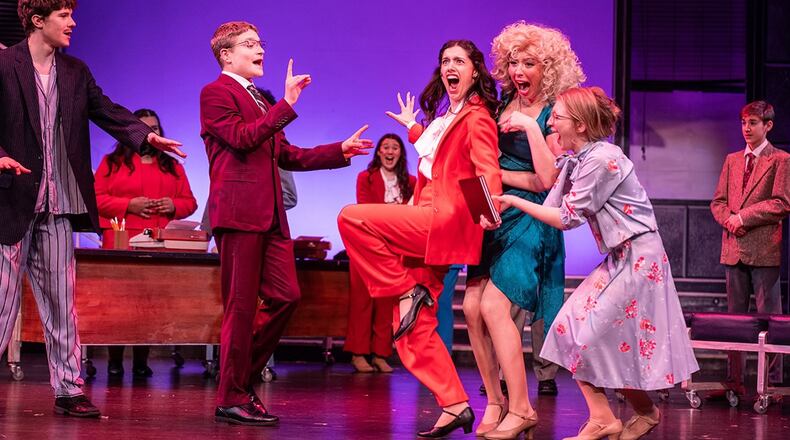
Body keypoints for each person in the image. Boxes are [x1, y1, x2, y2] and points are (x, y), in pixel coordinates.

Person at [0, 0, 184, 418]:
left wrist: (146, 137)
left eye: (71, 13)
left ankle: (69, 389)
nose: (73, 22)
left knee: (62, 304)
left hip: (59, 205)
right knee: (1, 303)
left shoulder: (75, 71)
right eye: (63, 15)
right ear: (37, 20)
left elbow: (105, 109)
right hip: (10, 201)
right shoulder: (4, 64)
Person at [494, 87, 698, 440]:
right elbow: (552, 194)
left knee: (588, 338)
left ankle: (610, 417)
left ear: (581, 126)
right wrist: (510, 199)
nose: (552, 122)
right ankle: (638, 413)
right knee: (567, 330)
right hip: (620, 257)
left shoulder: (603, 159)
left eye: (557, 116)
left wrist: (514, 199)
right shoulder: (579, 159)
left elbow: (566, 217)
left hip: (639, 256)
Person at [200, 21, 371, 427]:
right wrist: (288, 103)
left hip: (272, 217)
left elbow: (287, 155)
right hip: (240, 215)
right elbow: (242, 138)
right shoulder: (215, 93)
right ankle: (232, 394)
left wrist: (339, 151)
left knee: (287, 296)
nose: (260, 50)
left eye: (260, 43)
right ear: (226, 55)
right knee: (239, 309)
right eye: (249, 44)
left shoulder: (260, 98)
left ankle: (238, 381)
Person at [338, 39, 502, 438]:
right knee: (410, 327)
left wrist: (486, 213)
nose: (450, 66)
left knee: (352, 218)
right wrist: (413, 128)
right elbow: (435, 151)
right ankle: (455, 404)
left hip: (440, 222)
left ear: (475, 71)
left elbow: (486, 167)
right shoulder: (452, 115)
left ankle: (403, 287)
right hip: (426, 220)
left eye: (459, 61)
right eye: (445, 60)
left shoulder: (477, 117)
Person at [464, 21, 585, 439]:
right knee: (472, 309)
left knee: (496, 306)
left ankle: (523, 407)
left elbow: (548, 180)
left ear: (547, 68)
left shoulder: (555, 113)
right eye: (514, 61)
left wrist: (526, 134)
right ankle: (496, 403)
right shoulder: (500, 106)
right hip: (494, 215)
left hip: (532, 217)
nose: (518, 70)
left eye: (529, 62)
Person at [94, 108, 198, 377]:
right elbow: (94, 199)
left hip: (158, 245)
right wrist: (128, 204)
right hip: (121, 241)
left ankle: (141, 361)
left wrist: (173, 205)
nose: (151, 132)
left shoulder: (172, 165)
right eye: (143, 127)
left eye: (155, 127)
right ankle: (114, 360)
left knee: (150, 304)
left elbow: (191, 203)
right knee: (117, 305)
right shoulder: (112, 162)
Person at [710, 100, 790, 393]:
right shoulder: (732, 160)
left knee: (770, 319)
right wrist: (729, 220)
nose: (747, 128)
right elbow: (717, 201)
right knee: (735, 320)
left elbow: (782, 202)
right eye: (743, 122)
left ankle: (770, 384)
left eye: (753, 123)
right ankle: (735, 382)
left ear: (767, 125)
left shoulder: (780, 159)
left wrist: (743, 216)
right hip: (734, 249)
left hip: (763, 249)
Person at [344, 133, 416, 373]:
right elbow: (365, 210)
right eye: (385, 147)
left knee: (387, 303)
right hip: (365, 247)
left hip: (394, 250)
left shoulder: (411, 182)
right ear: (378, 153)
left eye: (395, 147)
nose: (390, 151)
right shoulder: (366, 178)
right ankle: (358, 353)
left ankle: (380, 353)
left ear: (400, 154)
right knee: (362, 302)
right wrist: (394, 214)